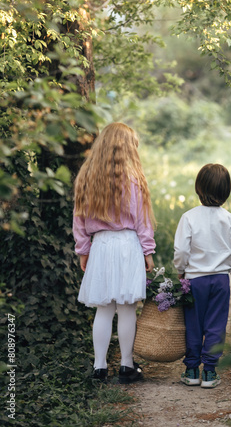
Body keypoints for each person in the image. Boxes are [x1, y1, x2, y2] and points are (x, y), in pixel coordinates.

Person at [73, 122, 156, 384]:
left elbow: (79, 220)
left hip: (101, 246)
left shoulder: (87, 178)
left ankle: (99, 368)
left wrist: (83, 250)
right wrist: (148, 251)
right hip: (128, 245)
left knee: (104, 309)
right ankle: (126, 366)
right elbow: (143, 221)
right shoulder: (135, 179)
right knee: (127, 308)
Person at [173, 163, 231, 389]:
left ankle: (192, 369)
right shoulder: (229, 219)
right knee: (216, 325)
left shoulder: (189, 217)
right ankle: (210, 372)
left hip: (195, 280)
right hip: (221, 281)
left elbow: (182, 250)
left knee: (193, 324)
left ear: (198, 188)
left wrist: (181, 269)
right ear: (226, 191)